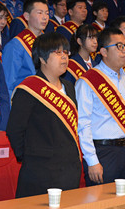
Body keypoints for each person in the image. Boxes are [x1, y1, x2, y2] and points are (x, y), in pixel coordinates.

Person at [7, 32, 82, 197]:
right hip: (40, 172)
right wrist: (32, 156)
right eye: (58, 52)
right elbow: (15, 130)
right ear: (42, 58)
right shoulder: (29, 89)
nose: (64, 57)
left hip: (70, 169)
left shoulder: (69, 87)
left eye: (66, 52)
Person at [76, 27, 125, 185]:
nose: (124, 50)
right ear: (104, 52)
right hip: (102, 152)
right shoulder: (88, 81)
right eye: (119, 46)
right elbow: (83, 124)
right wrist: (92, 160)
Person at [2, 0, 49, 96]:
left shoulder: (49, 42)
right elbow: (8, 83)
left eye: (47, 13)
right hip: (25, 98)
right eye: (40, 13)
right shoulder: (15, 45)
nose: (45, 17)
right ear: (27, 16)